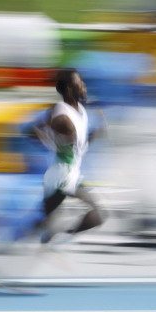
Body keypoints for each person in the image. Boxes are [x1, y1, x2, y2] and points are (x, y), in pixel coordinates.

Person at [29, 68, 103, 242]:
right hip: (62, 176)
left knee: (43, 225)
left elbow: (78, 146)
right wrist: (53, 144)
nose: (84, 86)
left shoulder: (80, 111)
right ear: (69, 89)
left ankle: (45, 237)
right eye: (80, 83)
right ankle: (60, 238)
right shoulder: (61, 115)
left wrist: (94, 134)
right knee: (97, 215)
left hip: (67, 173)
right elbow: (32, 130)